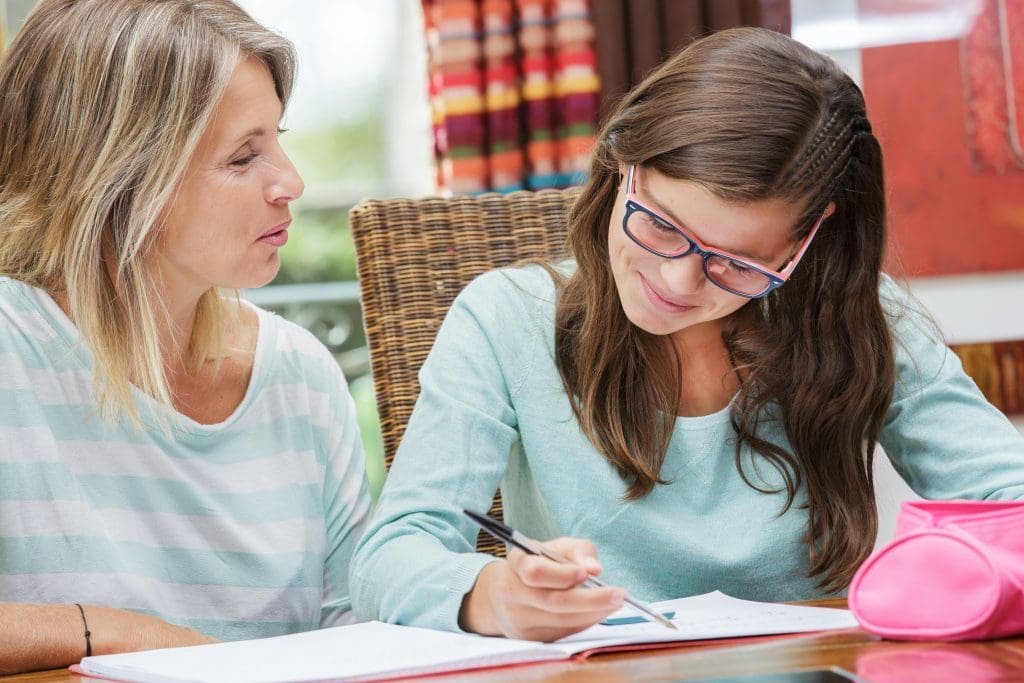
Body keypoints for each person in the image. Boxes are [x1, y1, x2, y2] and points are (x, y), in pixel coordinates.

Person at [350, 26, 1024, 642]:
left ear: (806, 244)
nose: (675, 282)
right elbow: (390, 554)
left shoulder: (863, 317)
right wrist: (488, 595)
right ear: (623, 163)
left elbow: (1011, 496)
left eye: (737, 263)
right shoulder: (504, 319)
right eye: (661, 223)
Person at [0, 0, 372, 674]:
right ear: (115, 180)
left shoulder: (300, 375)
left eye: (278, 139)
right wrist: (114, 633)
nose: (291, 181)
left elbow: (356, 636)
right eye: (241, 157)